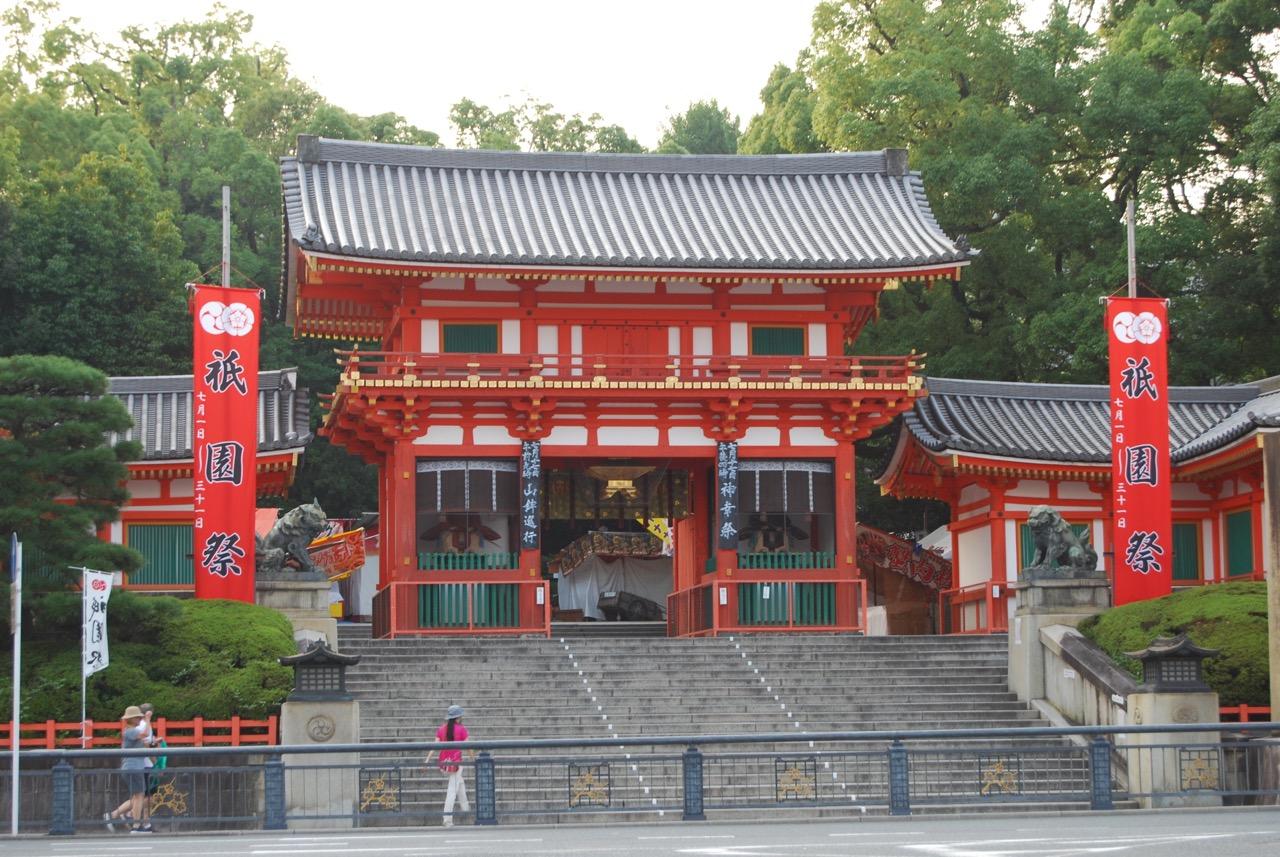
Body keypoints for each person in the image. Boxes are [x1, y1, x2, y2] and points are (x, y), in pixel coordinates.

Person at [104, 703, 159, 833]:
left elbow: (145, 742)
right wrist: (147, 719)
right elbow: (145, 733)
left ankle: (131, 821)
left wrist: (153, 744)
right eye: (138, 718)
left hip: (133, 767)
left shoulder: (131, 732)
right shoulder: (130, 731)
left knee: (138, 796)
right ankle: (135, 825)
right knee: (139, 796)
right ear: (131, 719)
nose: (140, 719)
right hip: (134, 767)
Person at [423, 704, 470, 827]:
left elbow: (434, 746)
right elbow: (468, 746)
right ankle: (447, 819)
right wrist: (473, 758)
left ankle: (467, 810)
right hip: (456, 764)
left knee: (460, 784)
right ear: (458, 717)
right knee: (452, 791)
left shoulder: (441, 729)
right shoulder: (461, 729)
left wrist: (427, 760)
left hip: (444, 764)